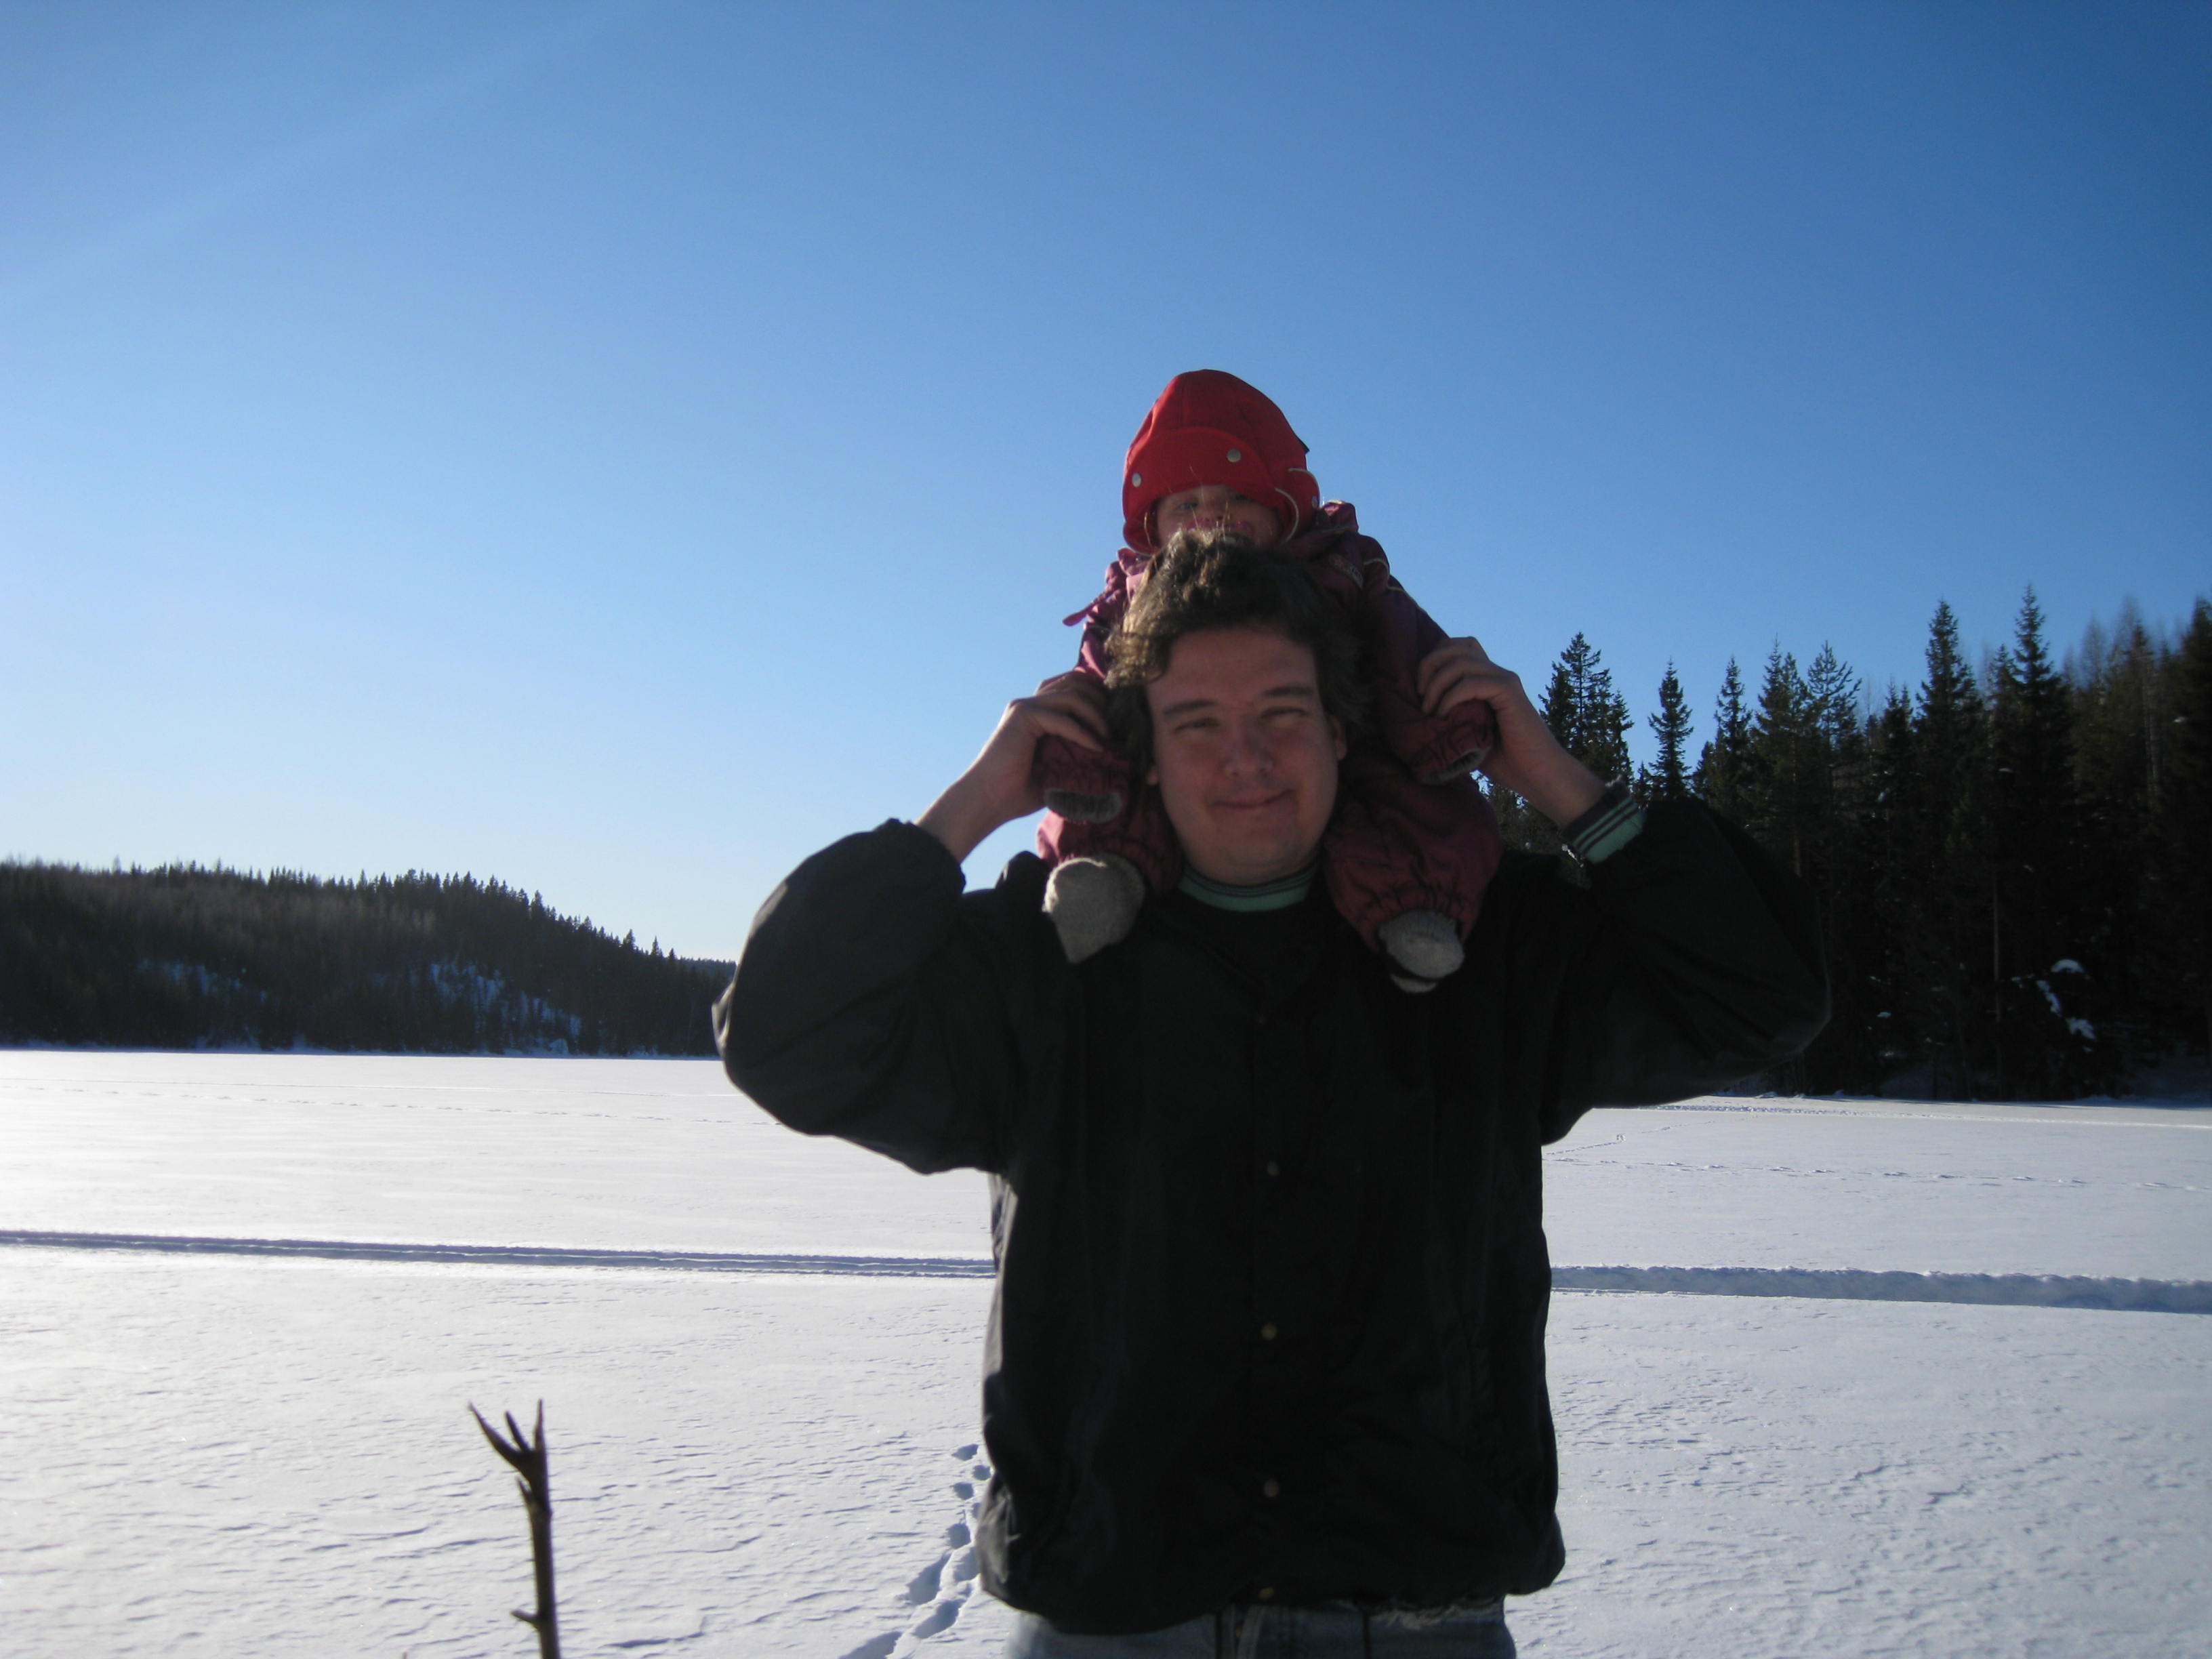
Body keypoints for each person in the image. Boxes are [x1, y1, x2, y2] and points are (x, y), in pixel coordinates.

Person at [716, 533, 1827, 1655]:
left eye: (1283, 714)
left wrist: (1560, 783)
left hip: (1411, 1620)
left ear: (1343, 732)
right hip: (1118, 1615)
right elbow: (784, 1037)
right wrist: (966, 806)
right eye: (1196, 722)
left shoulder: (1486, 948)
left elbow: (1760, 996)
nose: (1244, 758)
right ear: (1145, 755)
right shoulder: (1044, 960)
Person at [1033, 369, 1503, 992]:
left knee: (1411, 800)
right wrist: (1075, 766)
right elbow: (1095, 677)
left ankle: (1415, 908)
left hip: (1359, 732)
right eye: (1186, 504)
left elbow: (1403, 644)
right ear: (1154, 527)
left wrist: (1445, 732)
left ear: (1283, 509)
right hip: (1173, 760)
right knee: (1135, 781)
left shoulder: (1339, 566)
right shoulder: (1135, 597)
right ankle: (1105, 877)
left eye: (1236, 497)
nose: (1211, 516)